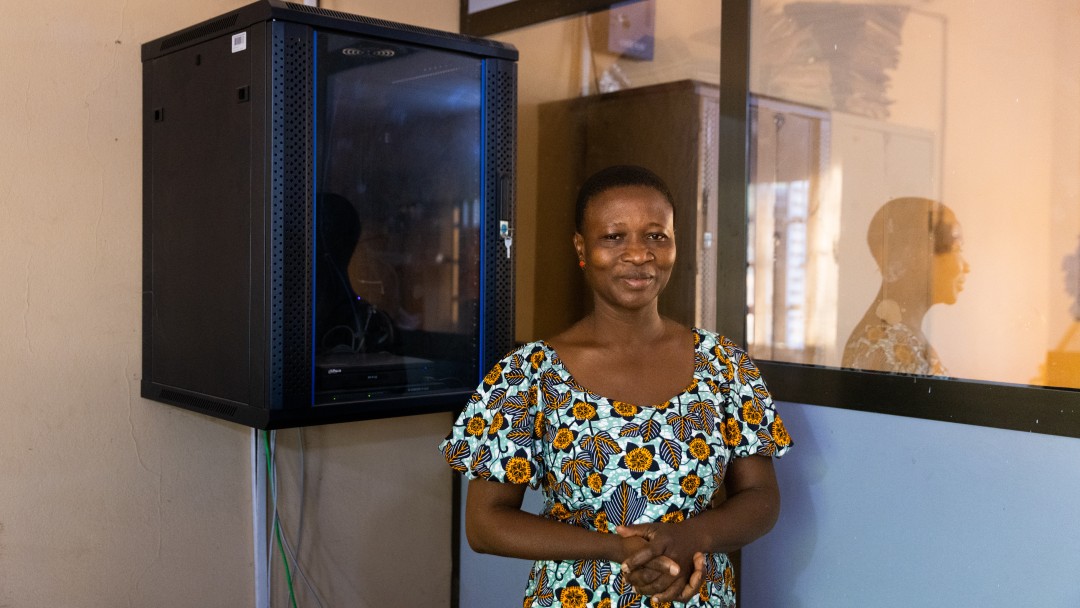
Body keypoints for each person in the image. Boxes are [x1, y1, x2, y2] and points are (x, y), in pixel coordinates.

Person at [440, 165, 793, 607]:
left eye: (656, 236)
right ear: (581, 247)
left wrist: (690, 536)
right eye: (613, 237)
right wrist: (617, 549)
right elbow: (485, 524)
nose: (639, 254)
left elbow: (761, 497)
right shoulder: (528, 375)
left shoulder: (724, 365)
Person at [842, 197, 970, 376]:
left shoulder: (900, 337)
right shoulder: (890, 343)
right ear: (916, 255)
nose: (966, 267)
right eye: (957, 249)